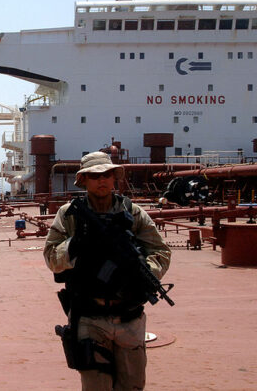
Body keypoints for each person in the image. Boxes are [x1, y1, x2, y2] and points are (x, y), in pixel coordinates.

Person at [43, 151, 171, 390]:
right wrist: (76, 244)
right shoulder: (70, 214)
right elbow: (51, 258)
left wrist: (142, 272)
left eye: (107, 174)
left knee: (132, 385)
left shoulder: (132, 212)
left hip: (129, 316)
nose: (101, 180)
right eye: (94, 175)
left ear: (115, 178)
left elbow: (161, 251)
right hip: (90, 317)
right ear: (84, 180)